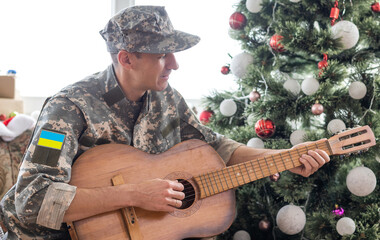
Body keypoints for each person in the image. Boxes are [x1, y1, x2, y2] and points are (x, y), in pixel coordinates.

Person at [0, 5, 330, 239]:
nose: (173, 64)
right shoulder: (66, 108)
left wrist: (284, 158)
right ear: (126, 58)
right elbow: (33, 200)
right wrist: (134, 195)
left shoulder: (166, 96)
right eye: (162, 54)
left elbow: (218, 147)